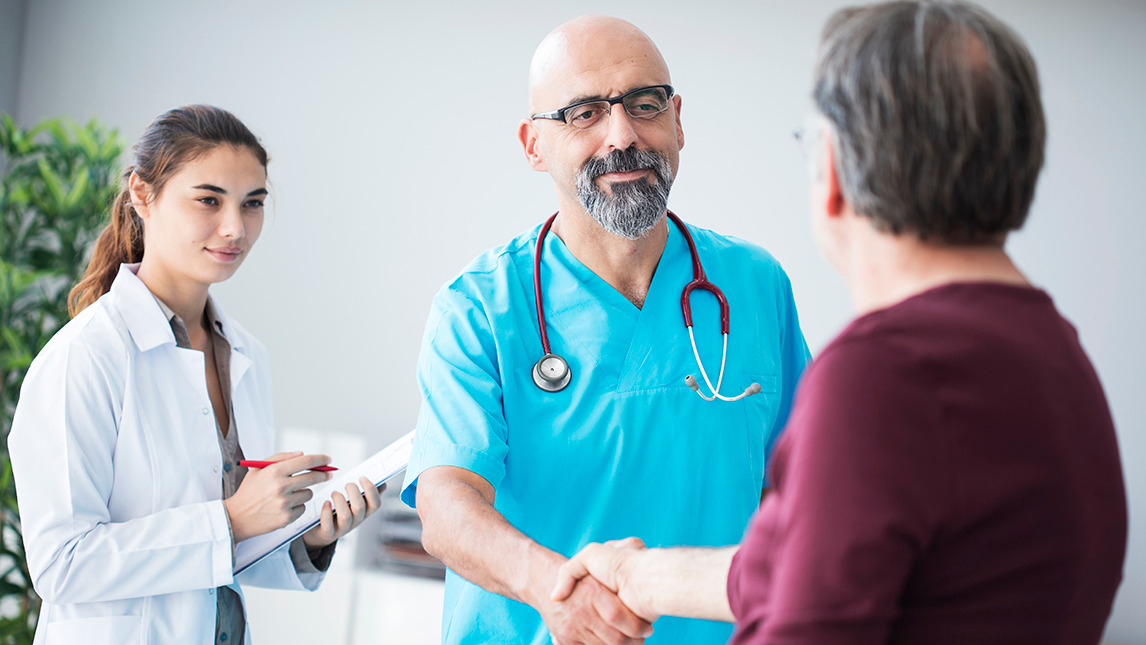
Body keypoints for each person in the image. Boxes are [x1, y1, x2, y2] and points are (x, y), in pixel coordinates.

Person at [551, 2, 1129, 643]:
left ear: (831, 171)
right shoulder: (1053, 353)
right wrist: (640, 576)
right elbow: (808, 562)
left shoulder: (883, 377)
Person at [400, 14, 810, 645]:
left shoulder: (755, 286)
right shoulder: (478, 308)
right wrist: (560, 593)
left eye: (645, 105)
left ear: (677, 121)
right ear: (533, 145)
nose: (622, 135)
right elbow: (446, 502)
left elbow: (805, 486)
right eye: (583, 113)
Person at [8, 105, 383, 645]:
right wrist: (230, 519)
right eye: (209, 199)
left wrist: (310, 537)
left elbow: (224, 562)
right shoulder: (86, 356)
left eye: (252, 204)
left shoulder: (246, 356)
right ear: (142, 194)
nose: (235, 228)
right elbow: (63, 564)